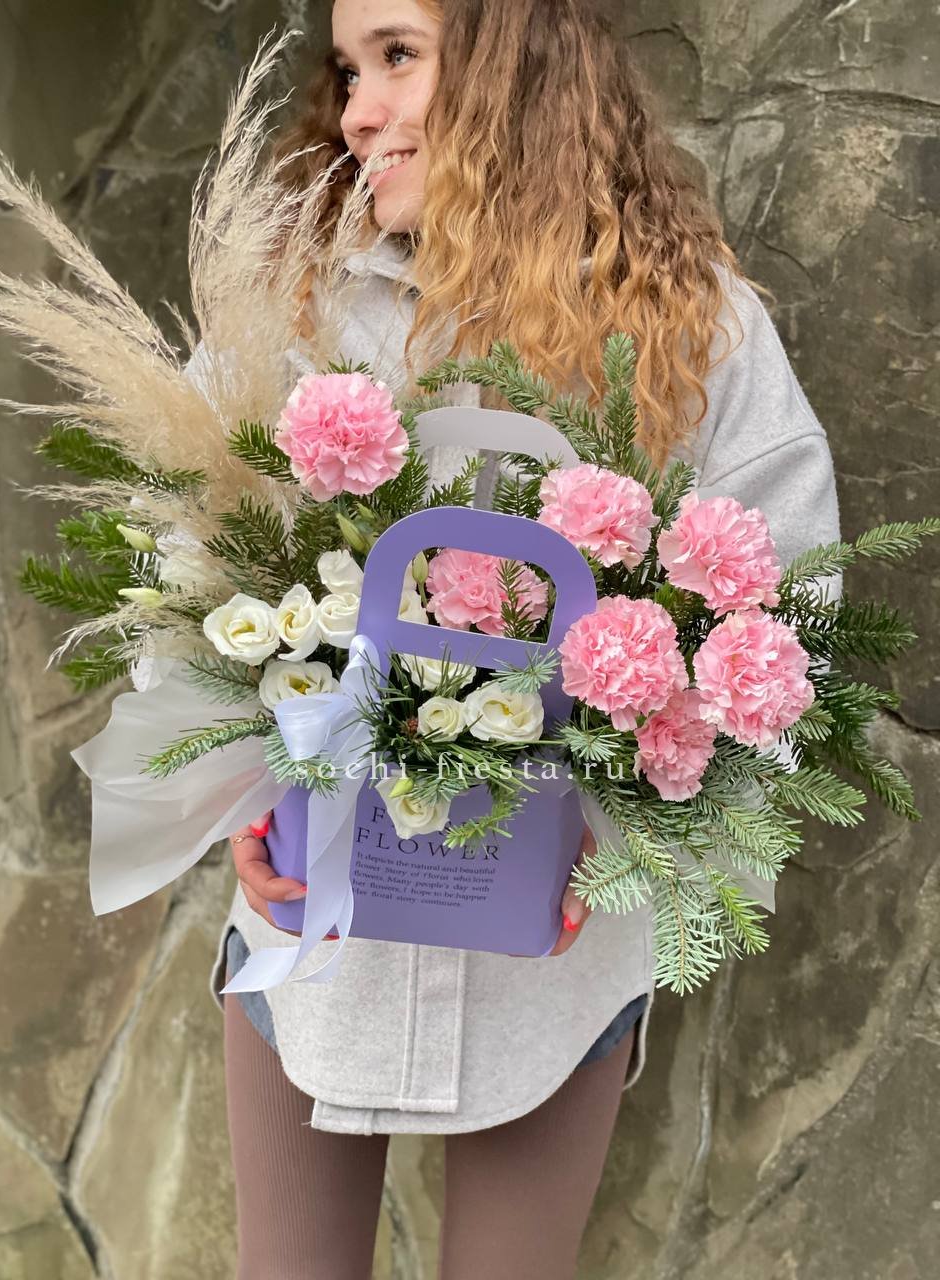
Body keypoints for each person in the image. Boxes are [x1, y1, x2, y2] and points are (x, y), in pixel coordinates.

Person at [213, 2, 842, 1276]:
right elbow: (193, 575)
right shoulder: (294, 296)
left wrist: (634, 835)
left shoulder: (696, 327)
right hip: (313, 942)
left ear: (515, 67)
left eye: (398, 57)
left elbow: (792, 632)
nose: (357, 113)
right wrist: (229, 792)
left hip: (550, 972)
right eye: (347, 70)